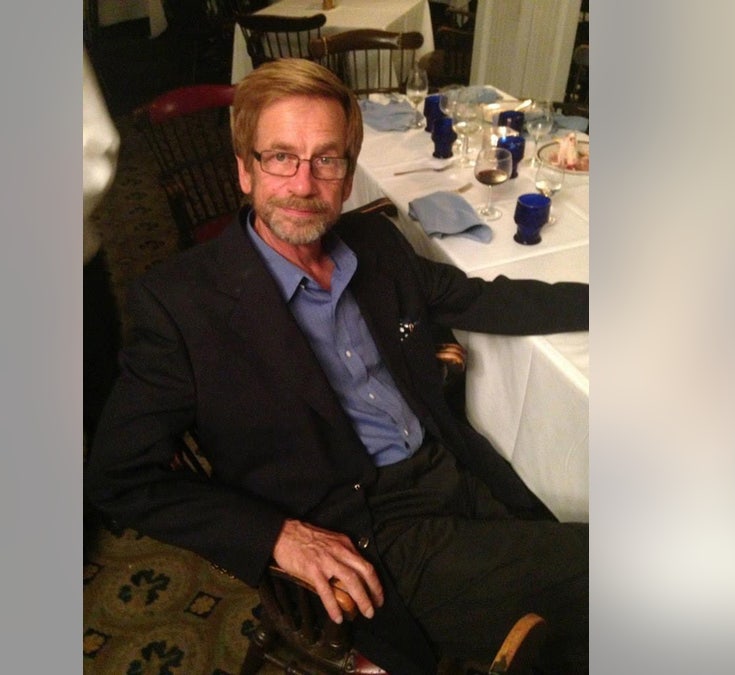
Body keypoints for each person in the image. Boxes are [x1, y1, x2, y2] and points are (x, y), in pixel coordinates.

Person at [86, 58, 588, 674]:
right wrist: (275, 536)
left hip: (455, 470)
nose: (303, 183)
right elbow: (118, 478)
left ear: (349, 175)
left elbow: (484, 299)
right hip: (372, 537)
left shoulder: (375, 244)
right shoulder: (180, 305)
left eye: (326, 159)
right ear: (244, 171)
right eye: (280, 157)